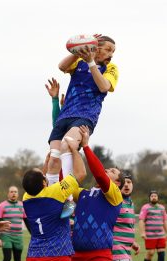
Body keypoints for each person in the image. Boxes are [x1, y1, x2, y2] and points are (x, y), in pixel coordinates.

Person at [45, 35, 118, 191]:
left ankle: (67, 196)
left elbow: (104, 86)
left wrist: (91, 61)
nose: (111, 54)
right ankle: (51, 197)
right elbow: (62, 67)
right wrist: (79, 50)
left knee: (67, 144)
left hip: (85, 116)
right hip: (65, 116)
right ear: (96, 48)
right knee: (53, 158)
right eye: (108, 50)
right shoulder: (79, 62)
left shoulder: (111, 68)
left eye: (113, 51)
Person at [22, 137, 87, 261]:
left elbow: (37, 185)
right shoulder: (56, 192)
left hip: (33, 258)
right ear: (44, 183)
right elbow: (80, 174)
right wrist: (74, 150)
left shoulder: (26, 197)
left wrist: (46, 167)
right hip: (56, 257)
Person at [69, 126, 124, 261]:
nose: (108, 170)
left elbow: (99, 174)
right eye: (108, 169)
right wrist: (70, 152)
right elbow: (67, 185)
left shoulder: (114, 196)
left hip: (99, 257)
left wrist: (86, 147)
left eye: (113, 172)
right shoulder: (83, 194)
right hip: (76, 256)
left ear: (117, 184)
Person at [110, 172, 140, 261]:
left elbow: (125, 226)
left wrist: (132, 242)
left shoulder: (130, 202)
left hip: (125, 248)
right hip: (116, 247)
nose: (127, 185)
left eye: (129, 182)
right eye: (124, 182)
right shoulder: (115, 201)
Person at [0, 186, 30, 261]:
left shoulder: (22, 206)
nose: (13, 193)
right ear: (8, 194)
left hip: (18, 237)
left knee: (18, 260)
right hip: (6, 236)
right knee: (7, 258)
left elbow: (27, 222)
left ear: (18, 194)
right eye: (11, 192)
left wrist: (34, 234)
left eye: (15, 192)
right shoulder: (2, 206)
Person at [139, 190, 167, 261]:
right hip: (150, 235)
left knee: (161, 253)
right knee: (150, 253)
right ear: (149, 197)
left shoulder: (162, 208)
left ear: (158, 198)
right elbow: (141, 220)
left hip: (160, 235)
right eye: (152, 196)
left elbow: (165, 221)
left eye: (155, 196)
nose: (154, 197)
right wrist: (142, 232)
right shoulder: (145, 208)